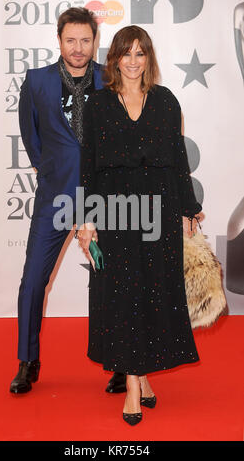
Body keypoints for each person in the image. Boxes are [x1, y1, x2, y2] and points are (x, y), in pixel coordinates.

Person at [77, 25, 204, 425]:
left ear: (149, 59)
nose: (132, 62)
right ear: (114, 60)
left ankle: (142, 377)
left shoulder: (166, 101)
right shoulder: (97, 105)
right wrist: (85, 218)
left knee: (151, 295)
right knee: (123, 297)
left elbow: (179, 162)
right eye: (125, 54)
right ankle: (132, 386)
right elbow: (89, 166)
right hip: (115, 212)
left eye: (140, 53)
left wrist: (188, 211)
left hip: (159, 212)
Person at [10, 7, 124, 395]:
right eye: (71, 40)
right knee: (32, 281)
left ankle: (123, 362)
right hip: (54, 198)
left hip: (103, 197)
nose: (78, 48)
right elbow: (31, 137)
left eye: (85, 40)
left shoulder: (109, 79)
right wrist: (51, 172)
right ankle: (28, 361)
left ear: (95, 41)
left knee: (114, 281)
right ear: (59, 41)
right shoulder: (37, 82)